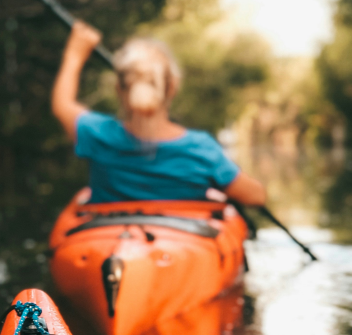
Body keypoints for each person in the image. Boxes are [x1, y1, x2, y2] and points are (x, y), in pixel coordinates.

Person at [51, 21, 266, 206]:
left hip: (109, 245)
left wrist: (75, 54)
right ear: (172, 87)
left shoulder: (98, 135)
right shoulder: (201, 150)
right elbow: (255, 197)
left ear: (119, 89)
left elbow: (62, 104)